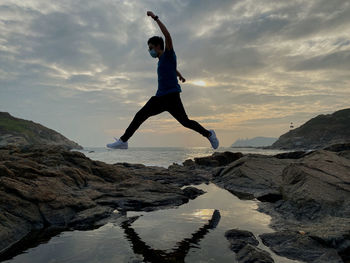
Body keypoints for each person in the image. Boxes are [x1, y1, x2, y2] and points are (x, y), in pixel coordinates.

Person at [107, 11, 219, 150]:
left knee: (185, 122)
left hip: (172, 97)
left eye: (151, 48)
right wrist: (180, 75)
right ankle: (123, 141)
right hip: (160, 98)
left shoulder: (168, 54)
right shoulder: (161, 61)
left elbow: (167, 36)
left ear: (158, 46)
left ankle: (209, 134)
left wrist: (155, 18)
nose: (150, 51)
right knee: (140, 115)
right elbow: (171, 68)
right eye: (149, 49)